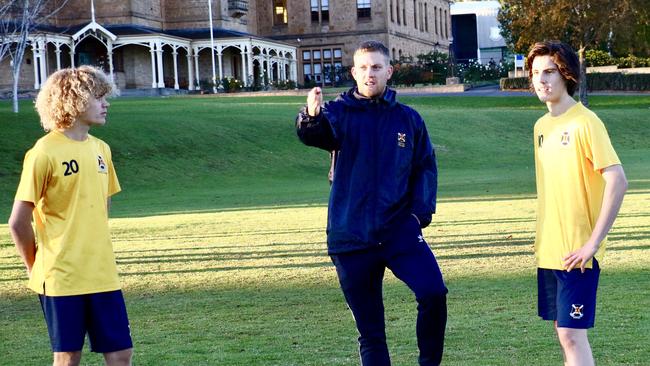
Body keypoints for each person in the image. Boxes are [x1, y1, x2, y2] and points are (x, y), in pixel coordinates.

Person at [296, 40, 447, 366]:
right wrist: (310, 116)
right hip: (351, 237)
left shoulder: (408, 119)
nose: (370, 73)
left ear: (389, 71)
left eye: (377, 67)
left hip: (399, 232)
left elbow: (425, 167)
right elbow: (317, 133)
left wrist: (418, 216)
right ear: (354, 72)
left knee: (433, 293)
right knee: (372, 333)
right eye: (363, 68)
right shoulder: (337, 113)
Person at [8, 66, 133, 366]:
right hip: (61, 276)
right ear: (73, 100)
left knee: (120, 353)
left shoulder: (102, 149)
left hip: (102, 273)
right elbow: (18, 222)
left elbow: (102, 206)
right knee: (67, 356)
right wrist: (34, 267)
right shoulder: (44, 153)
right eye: (98, 97)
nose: (106, 104)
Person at [527, 41, 628, 366]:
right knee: (562, 331)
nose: (541, 80)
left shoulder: (585, 122)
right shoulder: (541, 127)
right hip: (551, 251)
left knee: (572, 334)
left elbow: (618, 180)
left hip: (578, 253)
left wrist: (592, 245)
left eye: (549, 72)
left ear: (566, 74)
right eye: (535, 73)